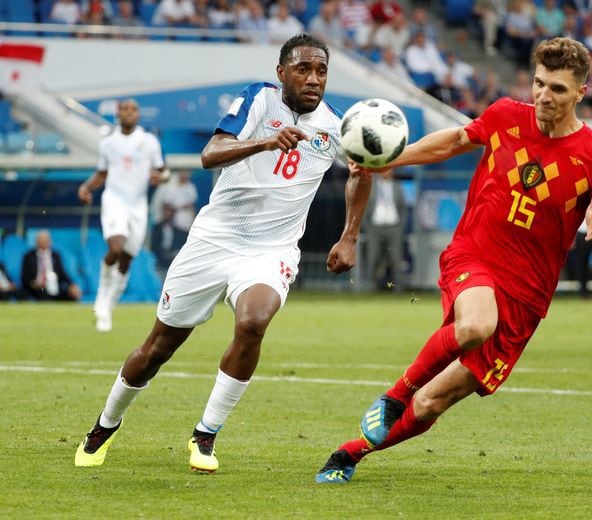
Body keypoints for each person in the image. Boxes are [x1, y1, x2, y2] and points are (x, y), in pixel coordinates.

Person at [315, 37, 592, 484]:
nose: (544, 95)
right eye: (539, 83)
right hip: (474, 254)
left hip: (526, 297)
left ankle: (351, 453)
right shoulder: (505, 116)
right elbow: (456, 141)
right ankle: (393, 396)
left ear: (580, 93)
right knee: (474, 326)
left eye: (558, 89)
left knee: (431, 403)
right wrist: (391, 158)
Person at [74, 34, 372, 474]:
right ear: (281, 72)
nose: (313, 79)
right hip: (213, 240)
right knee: (157, 348)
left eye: (321, 71)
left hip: (270, 250)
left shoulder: (335, 124)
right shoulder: (258, 100)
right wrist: (265, 143)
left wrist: (349, 236)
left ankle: (205, 435)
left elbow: (360, 173)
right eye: (303, 69)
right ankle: (105, 425)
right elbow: (209, 154)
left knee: (253, 322)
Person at [78, 99, 167, 332]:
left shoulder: (149, 142)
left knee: (127, 258)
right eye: (125, 109)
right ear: (118, 114)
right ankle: (102, 298)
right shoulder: (108, 143)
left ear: (138, 114)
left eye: (134, 109)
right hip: (114, 200)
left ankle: (109, 303)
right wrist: (86, 187)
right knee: (115, 248)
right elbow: (101, 173)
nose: (129, 113)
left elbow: (163, 170)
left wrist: (161, 178)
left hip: (138, 205)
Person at [362, 168, 408, 291]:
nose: (386, 172)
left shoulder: (398, 186)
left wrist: (400, 225)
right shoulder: (371, 186)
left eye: (389, 169)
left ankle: (398, 288)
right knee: (373, 256)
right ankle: (371, 286)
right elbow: (364, 205)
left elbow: (403, 207)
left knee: (396, 258)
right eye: (384, 169)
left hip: (394, 227)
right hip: (375, 227)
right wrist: (367, 225)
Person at [21, 230, 82, 301]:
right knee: (44, 293)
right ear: (37, 242)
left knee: (72, 295)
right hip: (38, 288)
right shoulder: (29, 256)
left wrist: (72, 285)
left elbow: (63, 274)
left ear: (50, 241)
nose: (43, 243)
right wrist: (33, 283)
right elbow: (24, 277)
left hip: (54, 287)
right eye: (41, 241)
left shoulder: (56, 255)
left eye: (45, 240)